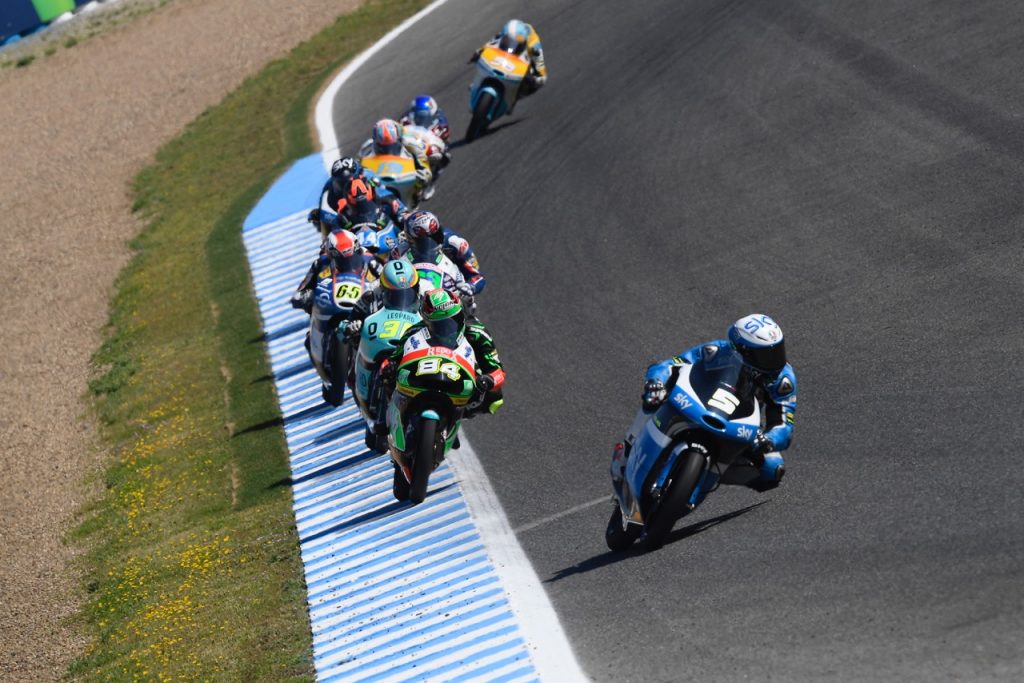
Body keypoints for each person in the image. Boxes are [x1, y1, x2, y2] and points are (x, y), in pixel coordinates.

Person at [639, 314, 797, 488]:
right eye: (765, 355)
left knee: (773, 468)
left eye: (777, 352)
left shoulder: (783, 379)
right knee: (654, 398)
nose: (774, 362)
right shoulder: (716, 351)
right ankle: (632, 444)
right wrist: (657, 383)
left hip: (737, 424)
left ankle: (703, 478)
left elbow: (784, 425)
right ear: (742, 350)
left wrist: (768, 440)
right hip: (694, 405)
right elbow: (670, 364)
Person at [382, 288, 505, 415]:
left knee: (495, 398)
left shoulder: (478, 333)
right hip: (423, 380)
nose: (449, 328)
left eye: (455, 320)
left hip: (462, 386)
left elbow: (498, 372)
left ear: (461, 315)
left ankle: (458, 417)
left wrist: (487, 380)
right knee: (387, 381)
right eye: (441, 325)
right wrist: (389, 367)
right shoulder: (414, 331)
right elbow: (391, 360)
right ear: (427, 323)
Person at [399, 210, 486, 295]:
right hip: (423, 281)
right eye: (424, 241)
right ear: (411, 239)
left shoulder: (455, 243)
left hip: (453, 280)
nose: (432, 241)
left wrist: (470, 286)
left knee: (468, 300)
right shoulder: (402, 247)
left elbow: (477, 276)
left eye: (435, 235)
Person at [289, 229, 367, 312]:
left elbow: (381, 277)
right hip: (328, 309)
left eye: (352, 253)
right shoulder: (321, 263)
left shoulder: (369, 259)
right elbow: (299, 293)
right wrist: (306, 296)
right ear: (332, 253)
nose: (347, 261)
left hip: (362, 307)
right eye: (339, 256)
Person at [362, 118, 432, 203]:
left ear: (399, 139)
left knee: (421, 181)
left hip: (406, 178)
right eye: (381, 146)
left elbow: (425, 168)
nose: (386, 149)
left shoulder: (411, 145)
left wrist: (420, 176)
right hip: (378, 178)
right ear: (375, 141)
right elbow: (356, 165)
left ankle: (415, 195)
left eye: (391, 145)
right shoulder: (367, 147)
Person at [470, 19, 548, 97]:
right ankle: (478, 84)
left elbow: (540, 63)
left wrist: (541, 77)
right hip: (505, 52)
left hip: (522, 59)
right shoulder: (504, 33)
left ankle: (517, 95)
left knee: (533, 82)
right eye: (508, 39)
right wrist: (479, 52)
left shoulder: (534, 45)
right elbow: (490, 43)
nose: (510, 41)